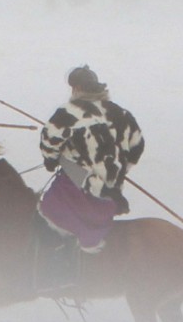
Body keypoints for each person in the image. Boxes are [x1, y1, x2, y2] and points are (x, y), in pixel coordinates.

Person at [37, 66, 145, 254]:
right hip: (110, 192)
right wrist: (118, 171)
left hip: (76, 188)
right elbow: (137, 146)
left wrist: (51, 161)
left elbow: (49, 143)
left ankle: (59, 262)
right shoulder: (121, 114)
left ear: (77, 88)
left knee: (49, 211)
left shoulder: (67, 113)